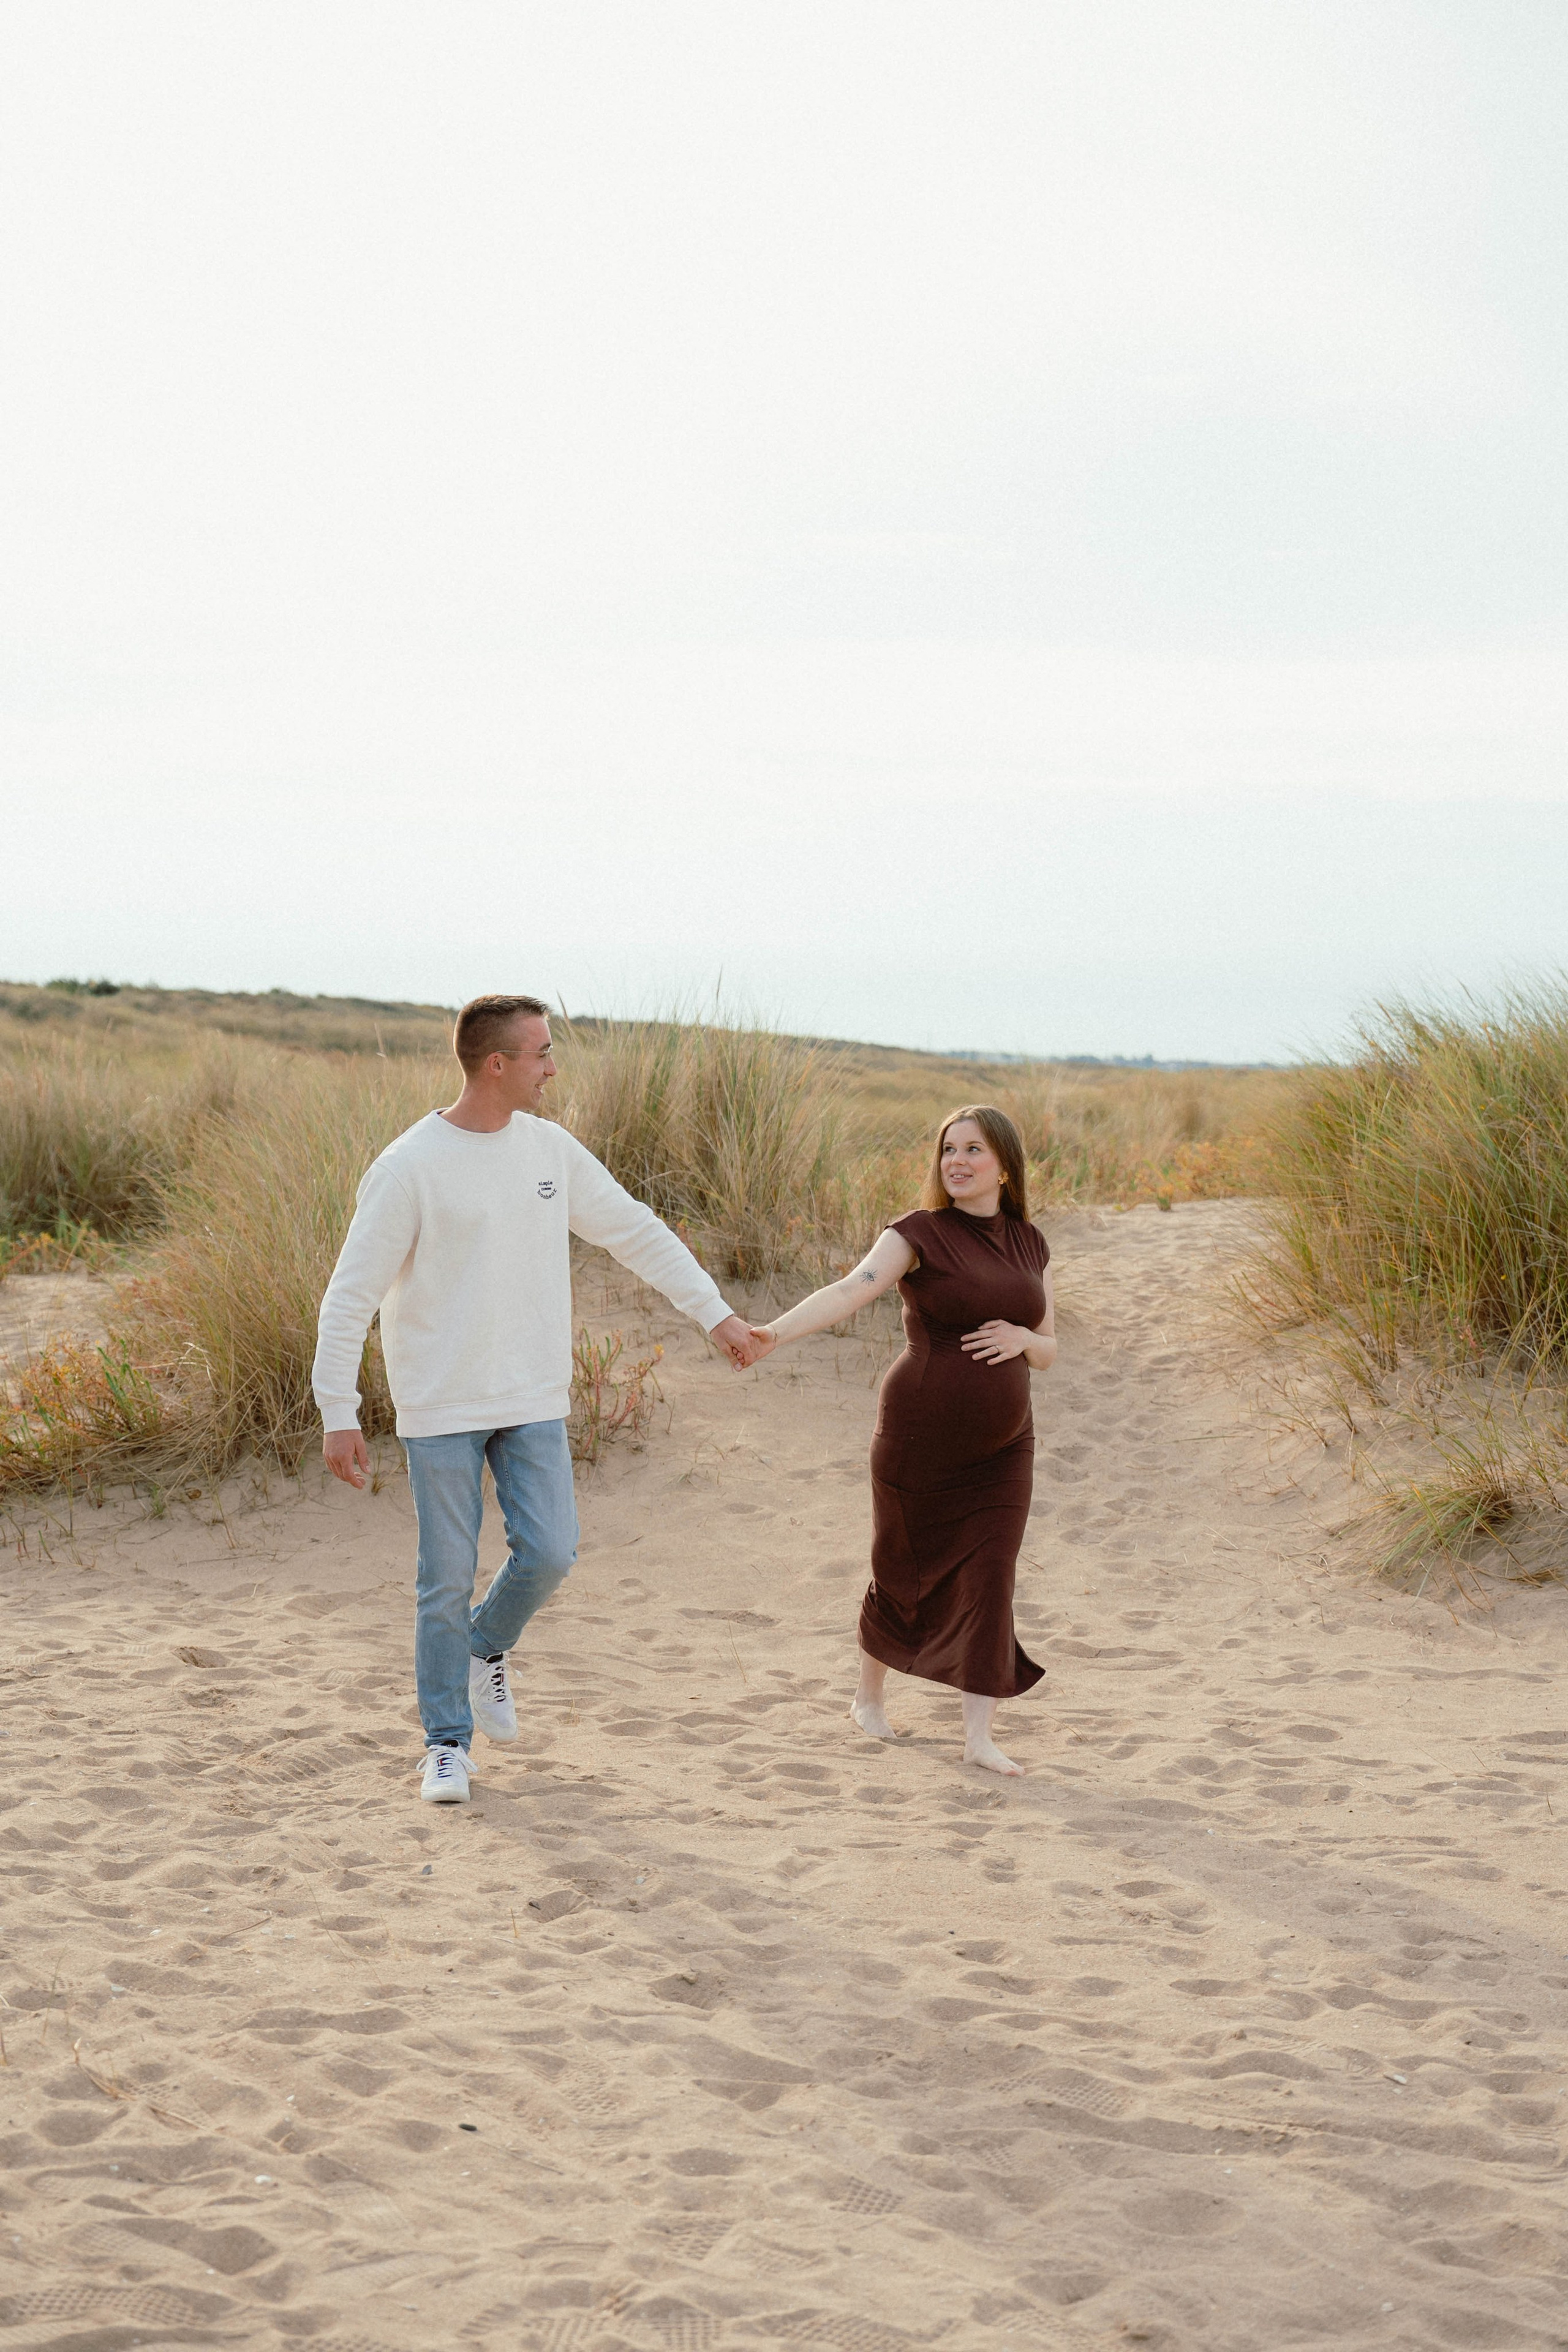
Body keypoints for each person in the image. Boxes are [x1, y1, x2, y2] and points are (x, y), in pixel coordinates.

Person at [312, 993, 761, 1804]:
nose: (553, 1067)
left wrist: (715, 1313)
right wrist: (336, 1409)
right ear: (498, 1064)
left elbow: (635, 1229)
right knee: (444, 1576)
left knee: (552, 1550)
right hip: (442, 1400)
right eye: (542, 1053)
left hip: (530, 1394)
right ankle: (446, 1745)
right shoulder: (409, 1166)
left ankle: (484, 1646)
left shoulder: (550, 1150)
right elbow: (349, 1296)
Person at [748, 1106, 1055, 1775]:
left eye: (973, 1150)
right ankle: (868, 1697)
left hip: (1006, 1448)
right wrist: (775, 1332)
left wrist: (1028, 1339)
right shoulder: (918, 1233)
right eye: (949, 1150)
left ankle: (978, 1738)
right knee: (903, 1569)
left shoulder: (1031, 1241)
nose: (958, 1162)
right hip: (920, 1437)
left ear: (1004, 1166)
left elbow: (1049, 1344)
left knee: (991, 1577)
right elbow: (850, 1290)